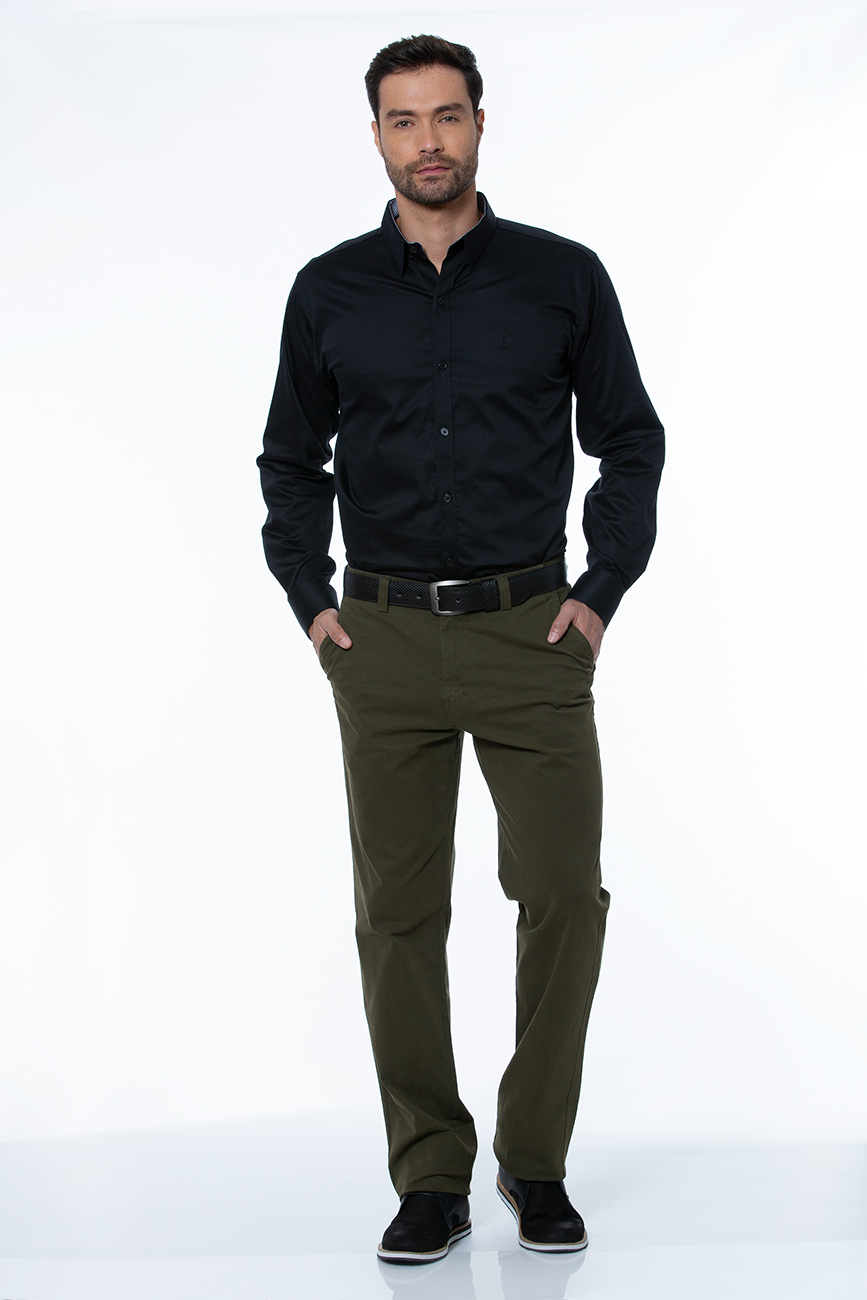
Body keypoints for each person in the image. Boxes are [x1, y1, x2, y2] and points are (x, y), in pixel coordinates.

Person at [257, 34, 664, 1266]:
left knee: (564, 894)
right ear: (377, 137)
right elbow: (290, 459)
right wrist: (312, 600)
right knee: (397, 913)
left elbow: (630, 439)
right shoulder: (329, 291)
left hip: (531, 632)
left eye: (445, 116)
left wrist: (599, 591)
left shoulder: (561, 277)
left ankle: (534, 1159)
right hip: (378, 638)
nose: (426, 140)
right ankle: (430, 1172)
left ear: (481, 122)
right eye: (403, 120)